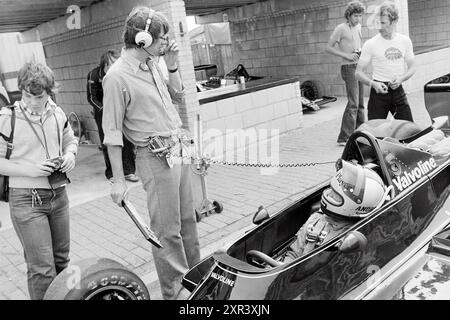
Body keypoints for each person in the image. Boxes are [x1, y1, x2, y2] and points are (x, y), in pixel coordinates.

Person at [102, 6, 200, 300]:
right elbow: (112, 134)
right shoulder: (117, 77)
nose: (166, 43)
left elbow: (179, 96)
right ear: (142, 39)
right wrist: (118, 181)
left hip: (177, 150)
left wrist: (171, 65)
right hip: (154, 157)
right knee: (167, 232)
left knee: (188, 222)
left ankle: (197, 281)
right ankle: (176, 293)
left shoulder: (153, 64)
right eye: (162, 39)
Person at [0, 62, 78, 299]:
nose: (33, 102)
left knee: (62, 261)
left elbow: (70, 139)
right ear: (21, 90)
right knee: (42, 270)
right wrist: (31, 169)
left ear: (50, 91)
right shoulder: (7, 117)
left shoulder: (57, 112)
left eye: (39, 96)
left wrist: (70, 155)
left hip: (58, 195)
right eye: (27, 95)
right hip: (26, 200)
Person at [282, 159, 388, 262]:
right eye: (331, 189)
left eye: (335, 195)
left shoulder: (352, 238)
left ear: (355, 205)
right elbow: (294, 253)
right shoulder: (315, 220)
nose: (329, 195)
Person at [355, 1, 416, 122]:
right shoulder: (371, 44)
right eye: (378, 23)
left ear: (394, 22)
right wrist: (373, 84)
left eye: (383, 23)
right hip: (378, 92)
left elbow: (412, 67)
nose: (380, 27)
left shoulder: (405, 41)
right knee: (375, 132)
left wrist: (401, 79)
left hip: (398, 90)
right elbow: (358, 73)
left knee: (409, 129)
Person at [87, 49, 139, 183]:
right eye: (112, 64)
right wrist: (106, 110)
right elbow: (91, 98)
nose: (116, 66)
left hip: (121, 110)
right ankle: (111, 173)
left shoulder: (121, 74)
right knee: (108, 141)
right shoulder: (93, 75)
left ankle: (129, 171)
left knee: (127, 140)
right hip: (102, 112)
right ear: (104, 65)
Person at [326, 1, 366, 146]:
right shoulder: (340, 28)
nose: (358, 19)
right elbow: (329, 48)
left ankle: (361, 133)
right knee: (353, 103)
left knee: (361, 103)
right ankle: (344, 137)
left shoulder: (359, 27)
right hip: (348, 68)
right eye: (356, 16)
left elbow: (357, 46)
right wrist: (346, 55)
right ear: (348, 15)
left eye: (360, 16)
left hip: (359, 66)